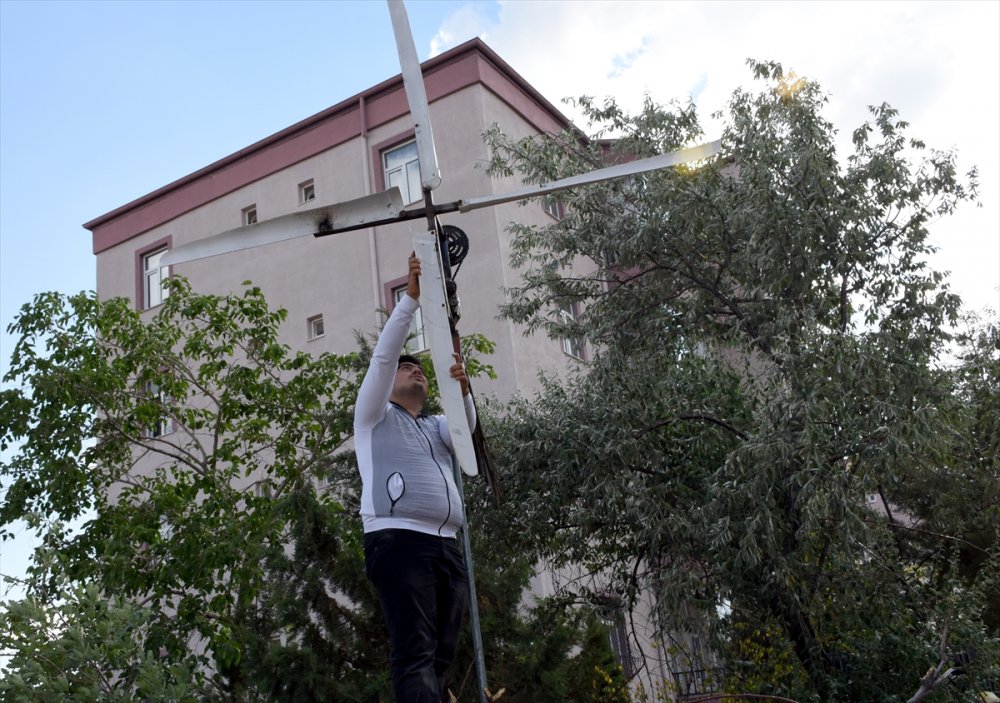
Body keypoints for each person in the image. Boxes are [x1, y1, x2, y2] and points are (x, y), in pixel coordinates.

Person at [354, 251, 474, 702]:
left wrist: (462, 389)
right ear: (389, 383)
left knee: (441, 655)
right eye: (409, 368)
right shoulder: (373, 416)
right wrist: (410, 303)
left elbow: (468, 433)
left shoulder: (434, 426)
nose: (416, 370)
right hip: (400, 540)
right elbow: (383, 359)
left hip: (445, 545)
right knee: (415, 651)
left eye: (420, 368)